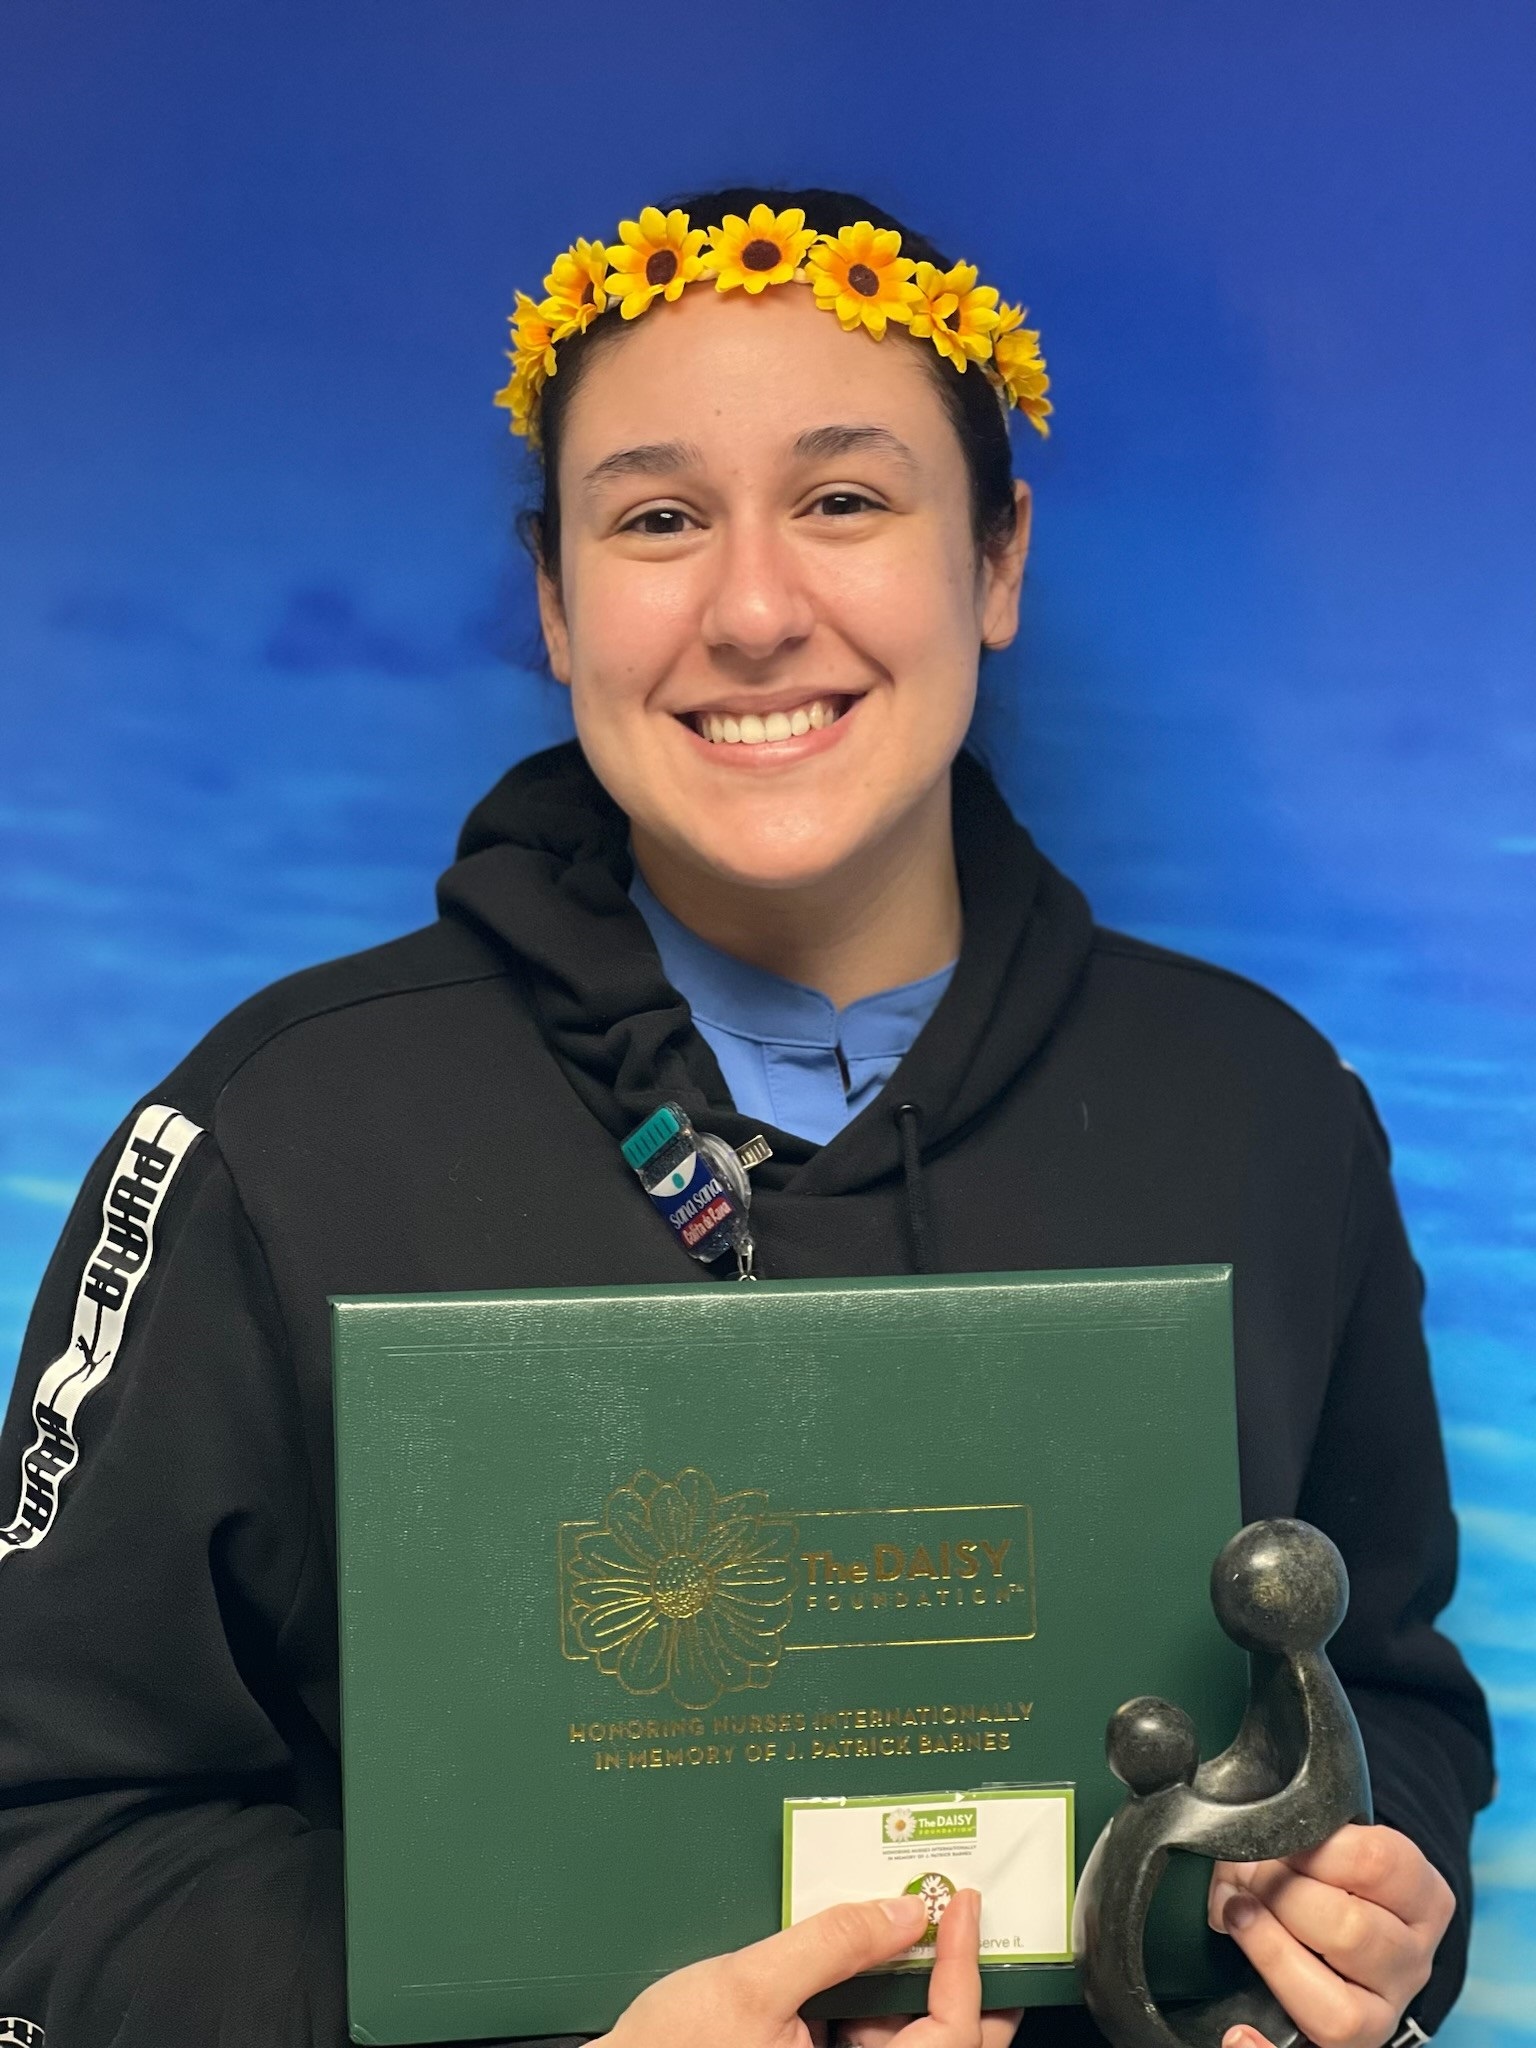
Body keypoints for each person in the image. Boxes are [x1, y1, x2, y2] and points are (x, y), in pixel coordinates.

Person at [0, 184, 1492, 2048]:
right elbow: (47, 1849)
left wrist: (1361, 1931)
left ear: (999, 560)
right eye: (658, 519)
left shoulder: (1267, 1113)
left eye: (846, 500)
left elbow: (1389, 1699)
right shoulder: (277, 1135)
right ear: (555, 602)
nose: (759, 610)